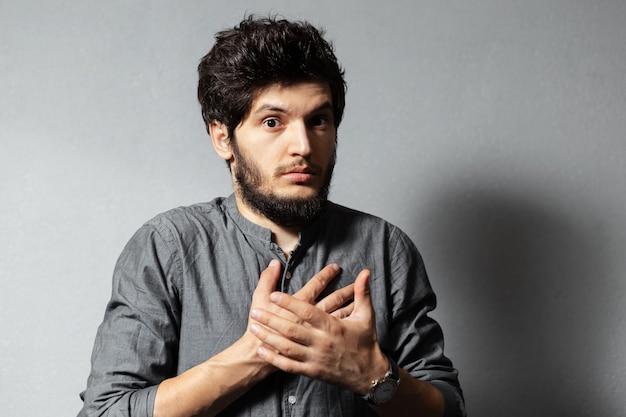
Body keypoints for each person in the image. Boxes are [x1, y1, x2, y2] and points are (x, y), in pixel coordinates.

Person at [78, 15, 465, 417]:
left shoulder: (387, 249)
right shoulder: (167, 247)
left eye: (318, 120)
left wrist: (371, 374)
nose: (302, 145)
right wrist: (256, 353)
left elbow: (450, 411)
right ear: (223, 138)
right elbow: (106, 412)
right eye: (272, 122)